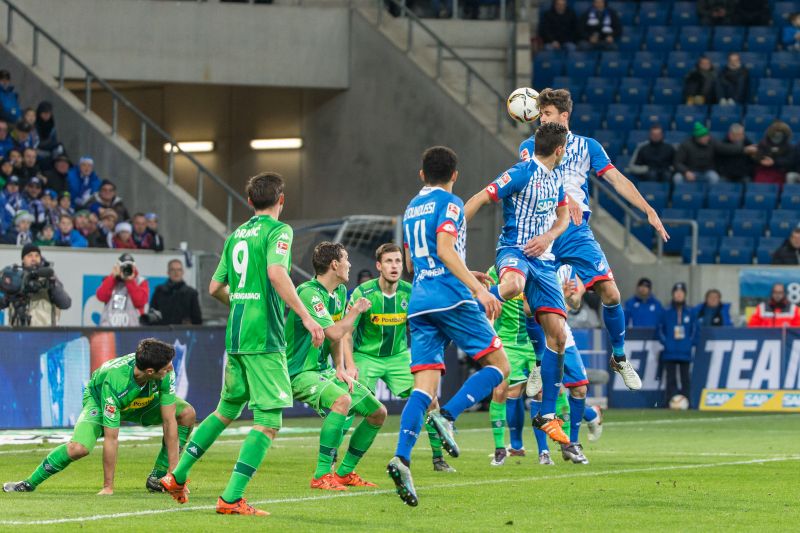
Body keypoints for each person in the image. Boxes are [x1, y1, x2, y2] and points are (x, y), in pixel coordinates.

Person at [160, 172, 325, 516]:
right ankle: (232, 497)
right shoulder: (279, 230)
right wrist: (306, 317)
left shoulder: (236, 235)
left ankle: (177, 476)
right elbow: (277, 273)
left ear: (249, 202)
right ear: (282, 200)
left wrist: (242, 303)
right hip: (263, 337)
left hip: (235, 335)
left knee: (226, 410)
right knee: (268, 421)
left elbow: (215, 288)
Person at [387, 146, 509, 507]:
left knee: (423, 388)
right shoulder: (451, 203)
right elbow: (443, 247)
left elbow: (412, 262)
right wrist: (476, 289)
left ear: (421, 174)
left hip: (420, 301)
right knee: (501, 366)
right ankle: (448, 416)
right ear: (455, 175)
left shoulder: (411, 208)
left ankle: (402, 457)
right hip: (452, 297)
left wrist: (464, 270)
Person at [514, 88, 659, 389]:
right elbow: (539, 176)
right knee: (530, 306)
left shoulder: (587, 146)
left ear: (564, 116)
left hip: (577, 232)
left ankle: (618, 357)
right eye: (540, 114)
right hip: (543, 229)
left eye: (548, 114)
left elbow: (617, 179)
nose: (542, 119)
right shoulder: (531, 145)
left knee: (612, 294)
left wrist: (647, 209)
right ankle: (540, 364)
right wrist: (566, 199)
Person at [466, 123, 575, 448]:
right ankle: (471, 308)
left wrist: (548, 237)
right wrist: (454, 232)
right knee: (512, 285)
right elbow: (480, 197)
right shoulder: (521, 172)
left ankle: (546, 412)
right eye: (565, 147)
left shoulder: (555, 180)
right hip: (514, 250)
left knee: (558, 333)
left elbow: (563, 217)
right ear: (559, 150)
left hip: (542, 259)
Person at [2, 339, 196, 495]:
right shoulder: (115, 380)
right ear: (150, 371)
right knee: (79, 448)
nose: (171, 369)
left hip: (140, 402)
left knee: (186, 414)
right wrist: (108, 486)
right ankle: (28, 483)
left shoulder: (163, 372)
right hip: (100, 401)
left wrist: (175, 476)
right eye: (167, 367)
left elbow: (169, 421)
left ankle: (159, 477)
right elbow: (112, 438)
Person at [286, 242, 385, 491]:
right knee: (342, 401)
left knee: (377, 412)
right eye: (346, 259)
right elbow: (333, 332)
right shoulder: (309, 292)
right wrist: (356, 311)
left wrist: (340, 368)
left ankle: (345, 472)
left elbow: (338, 337)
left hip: (323, 370)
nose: (350, 264)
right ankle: (322, 475)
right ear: (334, 265)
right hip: (300, 371)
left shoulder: (339, 292)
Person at [349, 243, 453, 472]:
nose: (395, 266)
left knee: (430, 400)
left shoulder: (410, 292)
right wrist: (348, 365)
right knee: (348, 402)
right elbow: (347, 331)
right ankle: (333, 458)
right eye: (389, 261)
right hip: (366, 356)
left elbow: (428, 321)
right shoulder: (363, 293)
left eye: (398, 261)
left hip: (398, 357)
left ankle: (438, 458)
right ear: (379, 266)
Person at [526, 265, 603, 466]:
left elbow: (575, 303)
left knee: (579, 388)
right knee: (541, 394)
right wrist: (559, 295)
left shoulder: (571, 263)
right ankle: (544, 451)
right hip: (534, 336)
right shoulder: (535, 255)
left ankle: (573, 443)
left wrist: (570, 296)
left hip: (561, 334)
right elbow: (527, 308)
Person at [483, 265, 537, 466]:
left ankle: (560, 446)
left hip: (535, 342)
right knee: (503, 392)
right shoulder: (493, 273)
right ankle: (505, 447)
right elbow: (487, 307)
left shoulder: (535, 268)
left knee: (548, 391)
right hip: (507, 342)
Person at [0, 244, 70, 326]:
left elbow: (65, 303)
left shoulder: (48, 277)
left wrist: (52, 284)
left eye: (37, 255)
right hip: (18, 334)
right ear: (23, 259)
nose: (34, 258)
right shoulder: (15, 279)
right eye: (29, 255)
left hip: (45, 334)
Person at [658, 282, 697, 406]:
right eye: (677, 293)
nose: (679, 295)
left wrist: (689, 343)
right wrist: (666, 342)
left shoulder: (690, 312)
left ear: (685, 295)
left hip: (685, 351)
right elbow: (660, 329)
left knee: (685, 379)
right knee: (670, 379)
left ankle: (687, 402)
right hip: (670, 351)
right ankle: (669, 402)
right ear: (673, 295)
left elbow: (696, 330)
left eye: (681, 293)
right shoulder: (666, 312)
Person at [673, 123, 744, 184]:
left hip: (706, 171)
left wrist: (740, 144)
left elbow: (727, 149)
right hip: (690, 171)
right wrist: (686, 172)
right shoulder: (685, 145)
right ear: (697, 137)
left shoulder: (712, 142)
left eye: (707, 135)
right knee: (677, 178)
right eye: (704, 136)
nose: (707, 138)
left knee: (714, 177)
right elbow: (677, 162)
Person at [96, 253, 149, 327]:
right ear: (118, 267)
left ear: (134, 267)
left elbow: (140, 302)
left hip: (132, 330)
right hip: (109, 328)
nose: (126, 270)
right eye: (124, 267)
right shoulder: (110, 280)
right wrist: (113, 277)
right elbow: (101, 297)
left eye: (130, 267)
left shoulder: (140, 281)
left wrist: (130, 281)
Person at [149, 260, 202, 325]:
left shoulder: (191, 293)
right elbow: (152, 316)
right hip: (163, 332)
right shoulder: (159, 291)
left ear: (182, 272)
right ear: (168, 272)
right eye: (173, 270)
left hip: (183, 333)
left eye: (179, 270)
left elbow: (197, 320)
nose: (176, 273)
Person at [751, 121, 799, 185]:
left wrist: (774, 162)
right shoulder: (763, 144)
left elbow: (789, 161)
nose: (777, 136)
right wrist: (761, 159)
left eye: (780, 134)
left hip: (780, 171)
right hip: (763, 171)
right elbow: (758, 157)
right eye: (775, 134)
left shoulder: (789, 147)